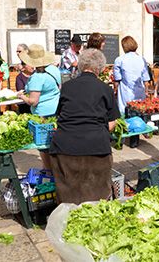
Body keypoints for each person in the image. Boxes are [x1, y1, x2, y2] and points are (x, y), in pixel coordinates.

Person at [49, 49, 120, 204]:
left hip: (65, 146)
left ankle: (68, 222)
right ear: (100, 68)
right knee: (97, 196)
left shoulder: (67, 87)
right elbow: (112, 123)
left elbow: (60, 116)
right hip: (97, 147)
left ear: (81, 66)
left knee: (68, 196)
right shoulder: (105, 89)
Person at [17, 44, 61, 169]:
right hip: (56, 110)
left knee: (44, 146)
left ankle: (49, 171)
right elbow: (58, 88)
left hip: (43, 114)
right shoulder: (54, 70)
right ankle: (56, 169)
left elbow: (33, 101)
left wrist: (22, 97)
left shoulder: (37, 77)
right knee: (54, 143)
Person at [113, 36, 151, 114]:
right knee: (140, 112)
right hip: (140, 90)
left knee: (126, 113)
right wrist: (146, 91)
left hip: (125, 91)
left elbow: (117, 80)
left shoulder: (119, 60)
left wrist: (115, 90)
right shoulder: (141, 59)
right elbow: (146, 79)